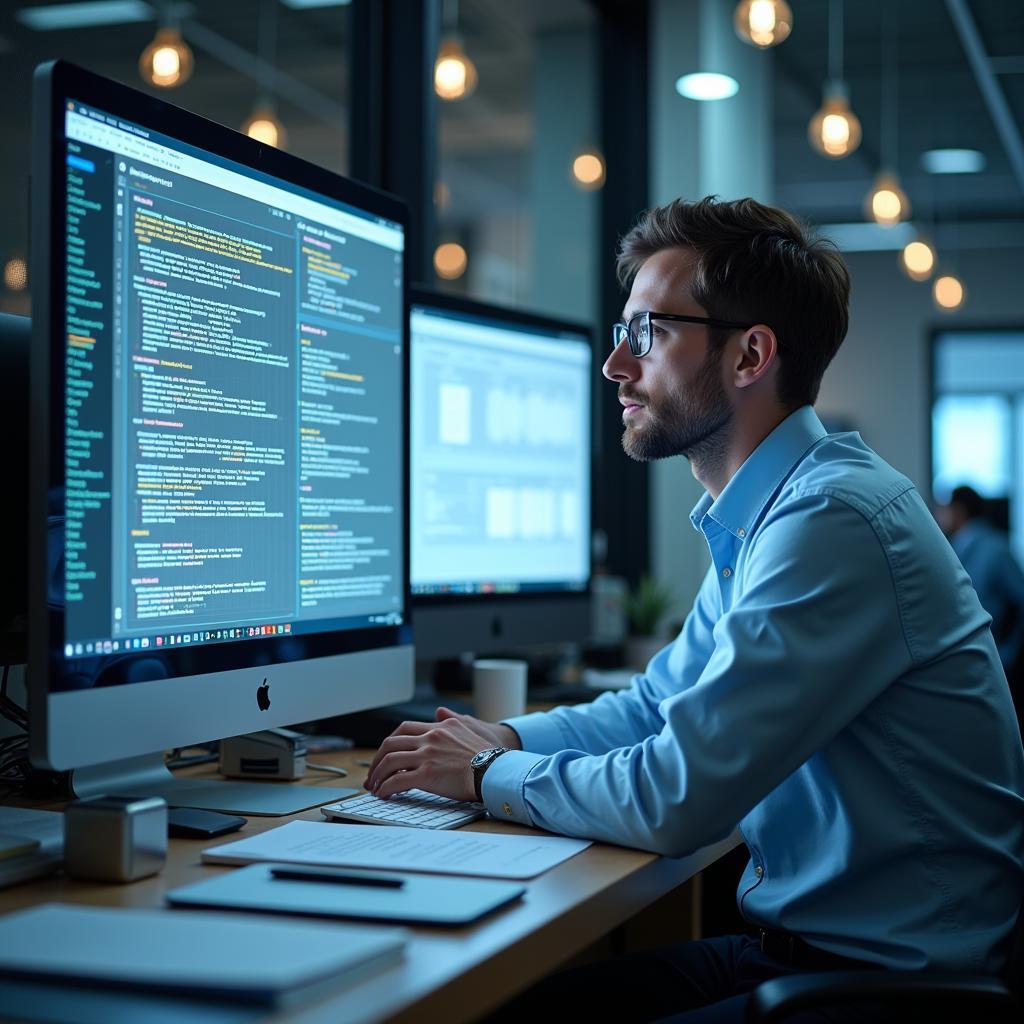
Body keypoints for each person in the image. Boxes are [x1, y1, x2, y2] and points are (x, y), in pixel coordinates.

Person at [366, 197, 1024, 1022]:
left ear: (750, 355)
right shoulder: (775, 513)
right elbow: (656, 706)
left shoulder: (833, 521)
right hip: (798, 956)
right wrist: (504, 736)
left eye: (647, 332)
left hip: (886, 993)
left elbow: (676, 798)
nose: (614, 363)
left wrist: (487, 773)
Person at [941, 484, 1024, 731]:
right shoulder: (956, 547)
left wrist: (1010, 652)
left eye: (944, 509)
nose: (940, 516)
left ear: (959, 510)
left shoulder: (994, 547)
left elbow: (1021, 600)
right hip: (978, 662)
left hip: (998, 661)